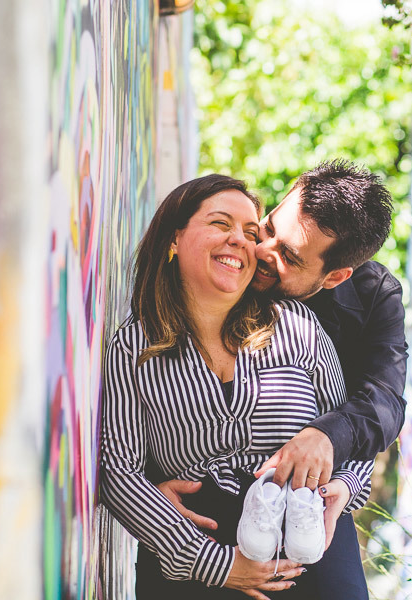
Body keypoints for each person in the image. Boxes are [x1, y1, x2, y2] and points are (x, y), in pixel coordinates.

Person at [100, 173, 374, 600]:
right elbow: (119, 470)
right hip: (193, 558)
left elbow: (352, 437)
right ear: (174, 238)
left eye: (250, 231)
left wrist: (344, 488)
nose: (242, 242)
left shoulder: (298, 326)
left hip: (309, 544)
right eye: (219, 224)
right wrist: (217, 564)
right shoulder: (136, 345)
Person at [158, 160, 409, 599]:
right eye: (269, 228)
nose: (261, 251)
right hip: (199, 499)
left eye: (288, 256)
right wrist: (151, 491)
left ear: (336, 276)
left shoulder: (375, 298)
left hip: (311, 499)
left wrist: (330, 451)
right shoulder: (229, 249)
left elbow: (383, 405)